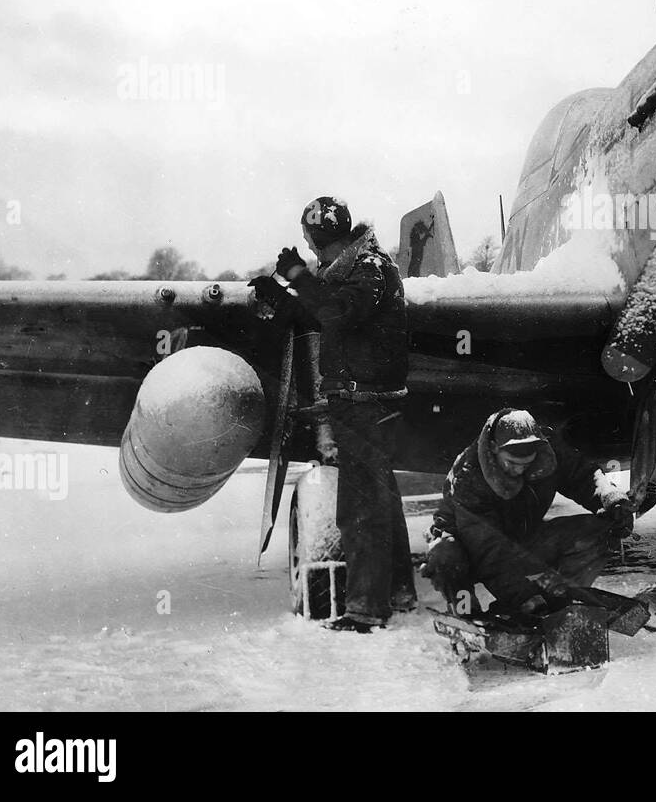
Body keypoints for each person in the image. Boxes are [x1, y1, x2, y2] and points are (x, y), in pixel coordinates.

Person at [252, 196, 416, 633]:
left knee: (360, 509)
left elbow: (338, 312)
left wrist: (298, 276)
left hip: (368, 403)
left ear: (328, 241)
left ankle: (365, 610)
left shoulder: (372, 268)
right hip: (361, 401)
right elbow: (321, 308)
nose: (316, 257)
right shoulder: (355, 268)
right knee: (378, 497)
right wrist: (282, 294)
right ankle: (398, 591)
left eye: (316, 249)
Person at [422, 408, 636, 618]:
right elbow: (489, 549)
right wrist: (524, 596)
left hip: (519, 540)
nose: (518, 471)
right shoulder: (468, 476)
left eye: (526, 464)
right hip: (469, 547)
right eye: (511, 463)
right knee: (447, 559)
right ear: (494, 448)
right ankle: (466, 615)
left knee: (598, 532)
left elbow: (583, 476)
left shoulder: (548, 451)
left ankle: (559, 604)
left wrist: (610, 499)